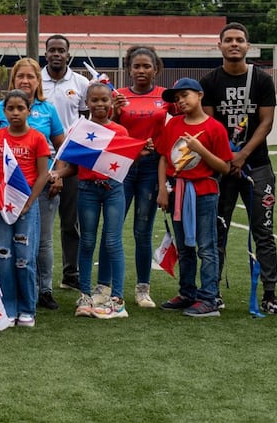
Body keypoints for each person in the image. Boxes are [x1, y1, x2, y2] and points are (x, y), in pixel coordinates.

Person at [200, 23, 277, 315]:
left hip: (257, 166)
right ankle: (212, 292)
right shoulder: (210, 81)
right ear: (220, 45)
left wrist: (243, 154)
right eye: (228, 40)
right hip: (222, 167)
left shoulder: (261, 79)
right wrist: (227, 159)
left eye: (240, 40)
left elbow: (266, 122)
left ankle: (270, 295)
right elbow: (210, 125)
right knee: (217, 229)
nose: (234, 44)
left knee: (264, 230)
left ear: (248, 46)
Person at [0, 58, 66, 310]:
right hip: (5, 196)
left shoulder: (48, 111)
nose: (25, 80)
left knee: (39, 243)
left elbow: (62, 147)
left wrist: (58, 174)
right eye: (20, 76)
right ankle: (9, 301)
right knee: (6, 250)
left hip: (38, 188)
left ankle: (44, 291)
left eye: (31, 76)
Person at [156, 78, 233, 318]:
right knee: (184, 246)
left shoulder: (215, 127)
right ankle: (187, 292)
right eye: (176, 98)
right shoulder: (173, 125)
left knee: (206, 246)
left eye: (184, 95)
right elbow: (163, 158)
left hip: (204, 194)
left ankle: (209, 297)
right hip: (177, 191)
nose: (180, 101)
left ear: (200, 95)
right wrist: (161, 189)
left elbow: (225, 167)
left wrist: (200, 150)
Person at [62, 83, 129, 319]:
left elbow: (123, 164)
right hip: (87, 189)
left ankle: (117, 299)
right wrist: (54, 174)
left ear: (111, 102)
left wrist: (140, 152)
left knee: (113, 242)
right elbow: (71, 167)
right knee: (87, 241)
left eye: (104, 100)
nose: (100, 105)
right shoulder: (79, 130)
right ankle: (85, 296)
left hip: (113, 190)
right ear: (86, 103)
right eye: (95, 100)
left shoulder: (120, 132)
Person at [0, 90, 51, 325]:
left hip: (26, 205)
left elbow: (43, 174)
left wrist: (29, 202)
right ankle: (8, 307)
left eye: (20, 108)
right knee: (4, 255)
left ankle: (27, 308)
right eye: (10, 108)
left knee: (24, 257)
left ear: (29, 111)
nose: (15, 113)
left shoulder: (38, 138)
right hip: (2, 206)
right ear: (4, 111)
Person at [112, 46, 167, 309]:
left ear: (156, 68)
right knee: (113, 227)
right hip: (122, 166)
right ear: (129, 69)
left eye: (147, 66)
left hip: (150, 168)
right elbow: (108, 128)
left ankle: (143, 289)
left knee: (143, 230)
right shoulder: (118, 96)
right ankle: (111, 285)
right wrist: (113, 110)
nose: (141, 71)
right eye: (137, 66)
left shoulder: (165, 97)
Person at [41, 35, 89, 292]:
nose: (56, 54)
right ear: (45, 53)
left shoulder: (80, 83)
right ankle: (37, 274)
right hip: (38, 159)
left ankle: (71, 272)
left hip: (69, 159)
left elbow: (85, 120)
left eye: (61, 50)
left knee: (70, 221)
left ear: (68, 54)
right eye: (52, 50)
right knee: (37, 221)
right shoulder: (35, 81)